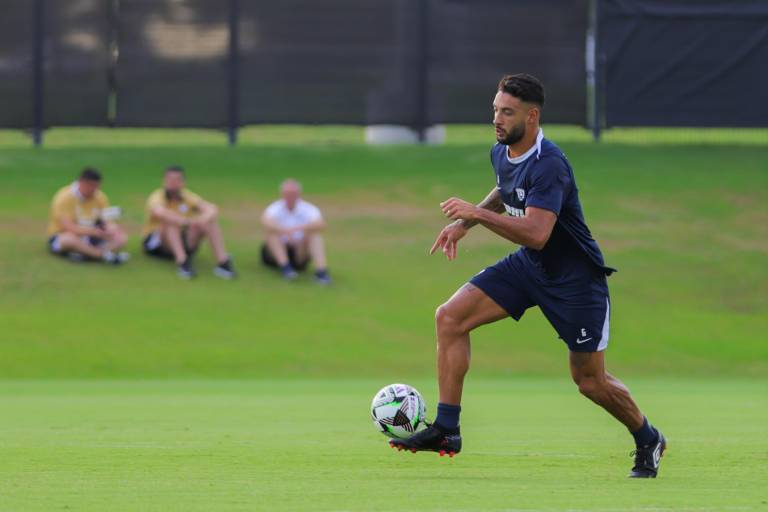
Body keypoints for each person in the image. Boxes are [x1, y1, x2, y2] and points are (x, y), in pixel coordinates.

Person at [389, 74, 666, 478]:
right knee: (449, 317)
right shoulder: (501, 152)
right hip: (530, 268)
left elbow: (538, 234)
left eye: (507, 112)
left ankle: (648, 438)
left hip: (576, 280)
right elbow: (505, 190)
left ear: (532, 116)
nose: (497, 120)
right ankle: (447, 429)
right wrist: (465, 225)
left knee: (590, 382)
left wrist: (475, 214)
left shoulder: (550, 164)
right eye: (495, 110)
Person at [142, 165, 236, 279]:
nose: (173, 183)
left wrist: (200, 220)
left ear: (183, 182)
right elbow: (159, 212)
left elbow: (212, 209)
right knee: (171, 222)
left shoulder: (187, 196)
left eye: (177, 179)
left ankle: (222, 262)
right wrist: (186, 221)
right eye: (170, 179)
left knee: (209, 222)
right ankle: (182, 263)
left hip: (184, 239)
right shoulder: (157, 196)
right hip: (159, 245)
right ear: (164, 181)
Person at [47, 168, 129, 264]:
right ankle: (102, 255)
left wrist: (111, 228)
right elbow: (70, 228)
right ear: (82, 183)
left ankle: (85, 254)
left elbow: (107, 220)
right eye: (92, 186)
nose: (95, 190)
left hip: (91, 236)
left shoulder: (100, 196)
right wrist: (93, 232)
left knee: (121, 238)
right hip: (64, 235)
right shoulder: (64, 198)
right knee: (69, 239)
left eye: (97, 187)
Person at [261, 179, 331, 284]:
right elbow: (265, 221)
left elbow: (321, 224)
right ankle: (286, 268)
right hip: (278, 250)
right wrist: (284, 231)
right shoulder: (275, 208)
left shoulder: (308, 209)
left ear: (299, 194)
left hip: (300, 251)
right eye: (287, 194)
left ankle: (321, 272)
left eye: (293, 193)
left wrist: (299, 229)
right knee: (271, 233)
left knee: (315, 235)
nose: (290, 196)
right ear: (282, 194)